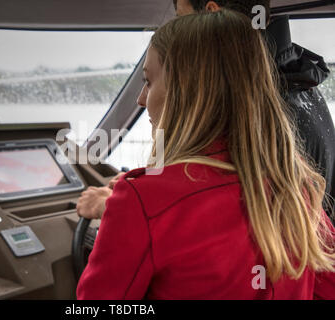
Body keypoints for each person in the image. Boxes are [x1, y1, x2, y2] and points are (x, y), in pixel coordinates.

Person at [76, 9, 335, 300]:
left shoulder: (140, 201)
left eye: (148, 81)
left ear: (185, 92)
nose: (140, 99)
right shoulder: (293, 180)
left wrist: (126, 213)